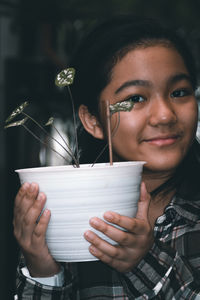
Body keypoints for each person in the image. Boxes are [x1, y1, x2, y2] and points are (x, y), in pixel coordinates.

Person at [14, 15, 200, 299]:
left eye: (179, 92)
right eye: (136, 98)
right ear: (93, 121)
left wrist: (145, 261)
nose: (165, 115)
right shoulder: (68, 218)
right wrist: (42, 270)